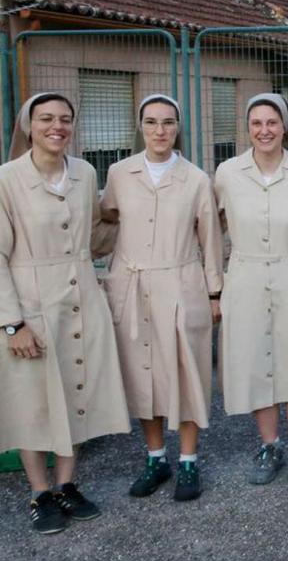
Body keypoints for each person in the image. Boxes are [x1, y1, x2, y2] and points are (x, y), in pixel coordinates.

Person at [0, 93, 129, 534]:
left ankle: (66, 485)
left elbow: (94, 235)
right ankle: (39, 493)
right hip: (31, 306)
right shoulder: (7, 179)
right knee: (32, 402)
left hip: (81, 299)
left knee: (76, 393)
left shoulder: (85, 172)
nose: (57, 126)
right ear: (28, 125)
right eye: (46, 119)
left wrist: (129, 216)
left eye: (65, 119)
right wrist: (12, 322)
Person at [95, 95, 222, 502]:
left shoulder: (197, 179)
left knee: (187, 374)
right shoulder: (118, 173)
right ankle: (155, 457)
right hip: (132, 287)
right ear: (141, 126)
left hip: (182, 284)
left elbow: (211, 240)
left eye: (168, 122)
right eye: (151, 122)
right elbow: (107, 219)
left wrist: (215, 292)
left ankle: (188, 460)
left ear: (178, 127)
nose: (160, 130)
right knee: (142, 373)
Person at [213, 93, 288, 485]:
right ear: (248, 129)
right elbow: (211, 229)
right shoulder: (227, 173)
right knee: (256, 363)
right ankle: (269, 445)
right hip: (245, 277)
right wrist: (213, 285)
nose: (264, 131)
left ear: (285, 127)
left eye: (272, 123)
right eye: (256, 123)